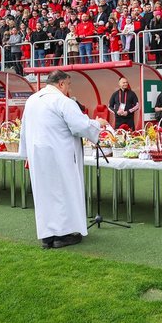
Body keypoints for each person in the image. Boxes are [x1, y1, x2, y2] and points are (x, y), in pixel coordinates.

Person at [21, 70, 105, 249]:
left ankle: (47, 235)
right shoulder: (62, 101)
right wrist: (98, 124)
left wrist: (26, 153)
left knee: (44, 194)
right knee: (63, 192)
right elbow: (80, 126)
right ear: (60, 84)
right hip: (60, 154)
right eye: (68, 85)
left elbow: (24, 129)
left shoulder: (32, 100)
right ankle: (63, 234)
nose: (68, 89)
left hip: (38, 154)